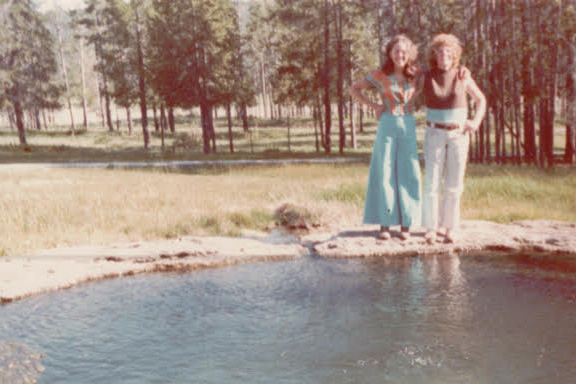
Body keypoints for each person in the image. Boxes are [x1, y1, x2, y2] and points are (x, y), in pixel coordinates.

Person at [349, 35, 422, 240]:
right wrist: (374, 106)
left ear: (410, 55)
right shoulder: (380, 75)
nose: (400, 55)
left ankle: (406, 225)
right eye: (396, 51)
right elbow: (353, 89)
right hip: (387, 123)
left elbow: (442, 73)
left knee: (409, 171)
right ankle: (385, 225)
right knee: (385, 170)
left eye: (404, 52)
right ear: (390, 53)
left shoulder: (416, 74)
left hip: (408, 123)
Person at [421, 33, 486, 244]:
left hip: (459, 134)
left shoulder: (462, 75)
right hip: (434, 133)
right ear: (434, 54)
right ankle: (430, 228)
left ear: (455, 54)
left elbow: (480, 99)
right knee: (431, 181)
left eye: (448, 51)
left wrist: (475, 122)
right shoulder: (426, 75)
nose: (444, 55)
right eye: (439, 51)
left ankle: (449, 227)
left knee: (454, 182)